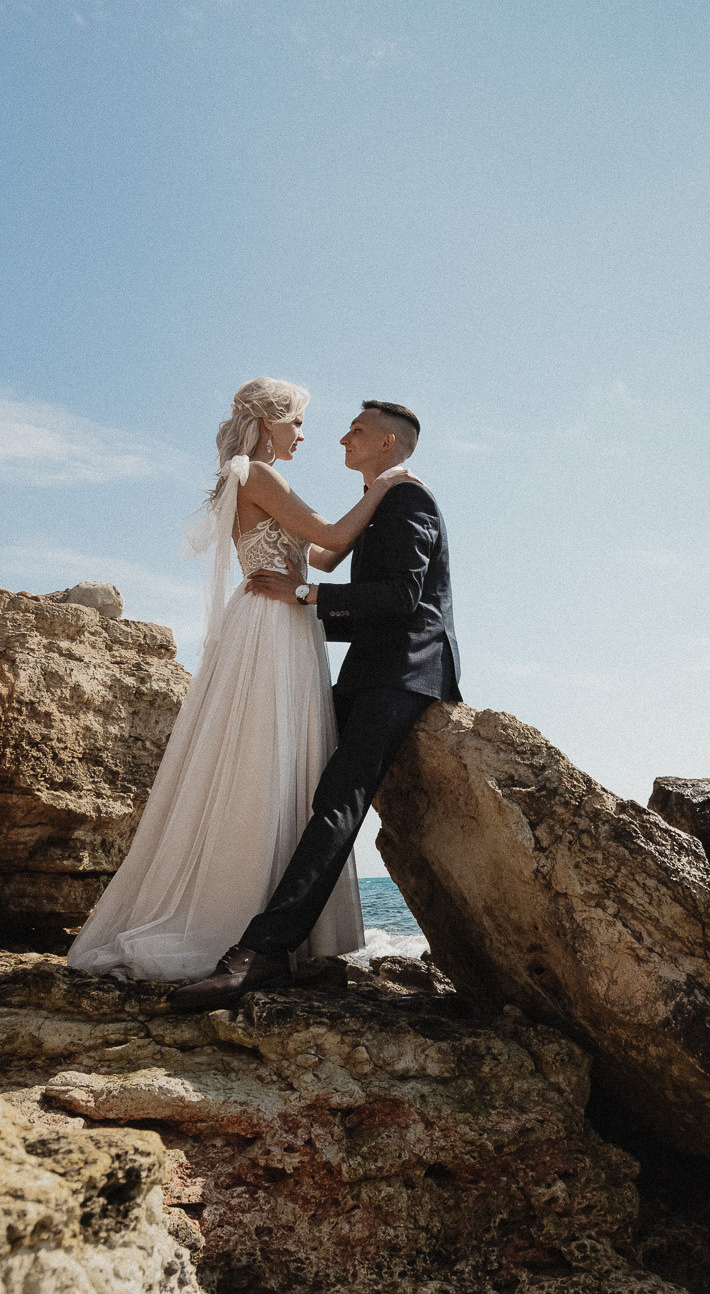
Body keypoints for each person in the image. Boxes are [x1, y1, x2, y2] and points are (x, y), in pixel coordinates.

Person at [67, 379, 412, 982]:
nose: (304, 435)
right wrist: (385, 485)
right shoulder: (257, 474)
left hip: (288, 617)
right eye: (297, 422)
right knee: (262, 754)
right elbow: (333, 537)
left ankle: (273, 923)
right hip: (271, 622)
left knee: (282, 758)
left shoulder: (258, 478)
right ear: (269, 422)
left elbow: (325, 557)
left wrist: (360, 514)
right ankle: (234, 920)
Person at [169, 400, 459, 1009]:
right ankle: (277, 941)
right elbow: (351, 582)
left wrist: (303, 595)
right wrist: (294, 613)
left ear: (387, 443)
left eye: (356, 430)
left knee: (335, 803)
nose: (341, 438)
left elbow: (403, 598)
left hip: (404, 675)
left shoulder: (407, 498)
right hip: (365, 672)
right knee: (309, 791)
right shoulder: (378, 501)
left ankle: (262, 953)